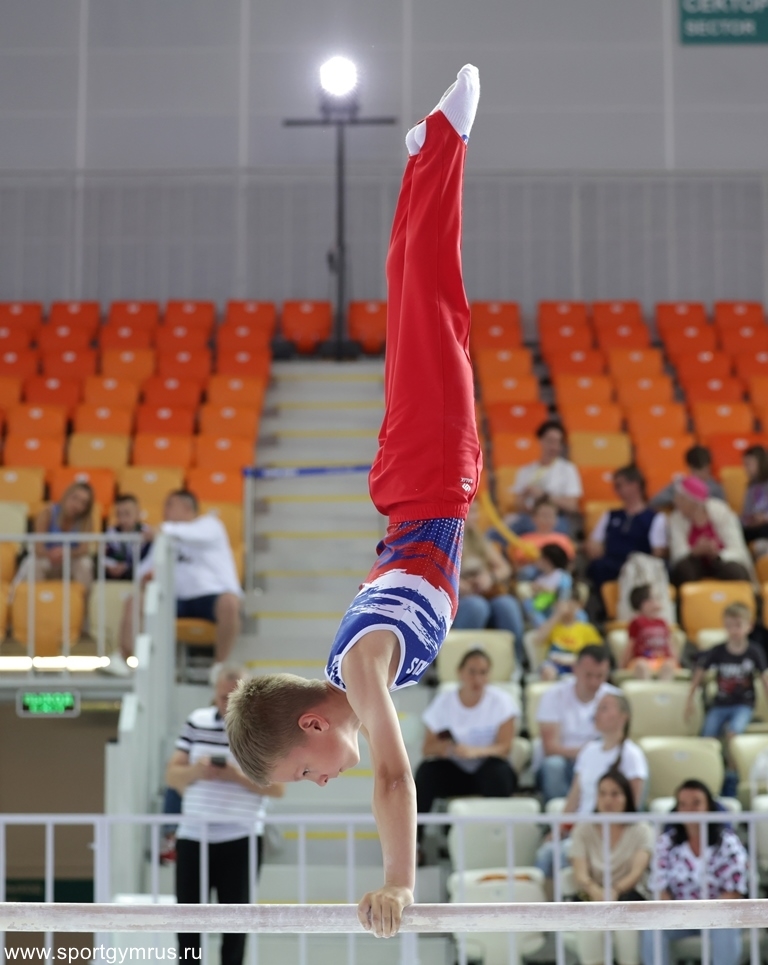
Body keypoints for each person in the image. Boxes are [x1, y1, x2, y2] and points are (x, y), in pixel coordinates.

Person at [226, 66, 482, 939]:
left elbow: (391, 777)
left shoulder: (365, 663)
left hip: (426, 479)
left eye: (305, 770)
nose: (320, 780)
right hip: (418, 486)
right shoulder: (354, 672)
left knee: (429, 302)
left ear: (312, 723)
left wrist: (398, 883)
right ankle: (422, 158)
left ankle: (443, 144)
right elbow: (378, 761)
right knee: (425, 303)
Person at [165, 666, 284, 965]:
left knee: (236, 925)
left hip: (241, 836)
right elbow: (172, 775)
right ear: (214, 694)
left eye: (234, 698)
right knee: (188, 923)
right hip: (194, 835)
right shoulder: (197, 721)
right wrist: (197, 770)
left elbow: (278, 788)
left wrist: (236, 776)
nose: (228, 704)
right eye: (222, 697)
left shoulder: (263, 729)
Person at [112, 490, 242, 676]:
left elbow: (195, 534)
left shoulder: (211, 525)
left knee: (230, 602)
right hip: (175, 599)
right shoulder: (165, 536)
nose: (164, 510)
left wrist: (163, 530)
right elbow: (143, 569)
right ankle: (124, 658)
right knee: (135, 601)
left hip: (210, 597)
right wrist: (144, 577)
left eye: (169, 505)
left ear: (187, 507)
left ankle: (219, 666)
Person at [535, 691, 648, 878]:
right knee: (545, 853)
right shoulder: (589, 751)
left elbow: (633, 805)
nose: (596, 713)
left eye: (604, 708)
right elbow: (574, 797)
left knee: (556, 856)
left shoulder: (632, 755)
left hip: (610, 835)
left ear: (623, 717)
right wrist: (559, 830)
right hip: (583, 831)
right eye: (597, 708)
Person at [415, 648, 518, 850]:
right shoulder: (444, 702)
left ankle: (500, 838)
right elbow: (427, 748)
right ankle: (415, 842)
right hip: (455, 770)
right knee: (426, 772)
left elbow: (505, 747)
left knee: (500, 772)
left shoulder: (502, 702)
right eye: (472, 672)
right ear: (460, 672)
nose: (477, 679)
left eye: (483, 672)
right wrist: (447, 749)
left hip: (487, 769)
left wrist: (475, 752)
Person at [640, 779, 748, 965]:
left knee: (726, 925)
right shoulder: (666, 843)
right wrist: (684, 915)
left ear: (709, 807)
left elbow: (733, 892)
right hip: (679, 916)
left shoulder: (728, 843)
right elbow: (660, 889)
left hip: (718, 915)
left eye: (696, 803)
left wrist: (706, 914)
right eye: (683, 804)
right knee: (653, 926)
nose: (689, 810)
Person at [570, 770, 653, 965]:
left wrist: (615, 890)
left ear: (626, 797)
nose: (608, 800)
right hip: (592, 894)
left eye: (615, 794)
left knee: (625, 926)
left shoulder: (642, 829)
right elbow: (580, 873)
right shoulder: (583, 829)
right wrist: (595, 891)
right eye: (603, 793)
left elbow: (637, 872)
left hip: (629, 895)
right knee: (590, 924)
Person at [685, 601, 768, 795]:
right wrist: (690, 698)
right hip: (720, 704)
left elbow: (764, 678)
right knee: (707, 736)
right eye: (730, 625)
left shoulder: (754, 651)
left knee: (733, 734)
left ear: (749, 626)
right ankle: (708, 774)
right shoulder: (718, 650)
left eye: (738, 625)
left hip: (743, 705)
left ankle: (731, 776)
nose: (734, 630)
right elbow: (699, 671)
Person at [536, 646, 619, 802]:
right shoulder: (553, 696)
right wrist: (588, 753)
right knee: (553, 766)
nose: (594, 682)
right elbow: (550, 748)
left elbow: (617, 743)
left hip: (599, 763)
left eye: (600, 676)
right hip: (565, 762)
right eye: (588, 675)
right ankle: (558, 811)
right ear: (575, 669)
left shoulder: (614, 698)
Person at [452, 503, 525, 665]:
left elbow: (504, 568)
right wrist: (459, 584)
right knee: (477, 607)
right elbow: (438, 572)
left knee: (507, 604)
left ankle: (514, 662)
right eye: (471, 512)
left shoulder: (480, 540)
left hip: (485, 592)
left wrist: (489, 578)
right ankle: (460, 660)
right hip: (460, 597)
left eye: (476, 512)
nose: (475, 517)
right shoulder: (446, 541)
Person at [586, 465, 667, 591]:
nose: (616, 490)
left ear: (634, 485)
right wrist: (595, 547)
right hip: (612, 564)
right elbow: (594, 543)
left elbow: (658, 551)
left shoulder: (655, 518)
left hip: (638, 566)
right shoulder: (610, 515)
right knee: (597, 567)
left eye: (619, 485)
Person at [668, 475, 754, 587]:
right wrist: (695, 551)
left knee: (735, 571)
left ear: (692, 501)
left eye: (681, 498)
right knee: (684, 569)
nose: (676, 502)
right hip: (694, 563)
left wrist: (717, 554)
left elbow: (737, 549)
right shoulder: (676, 518)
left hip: (721, 561)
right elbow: (677, 553)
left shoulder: (721, 511)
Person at [15, 481, 95, 592]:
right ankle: (33, 600)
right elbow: (38, 547)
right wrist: (52, 554)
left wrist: (66, 553)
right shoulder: (48, 512)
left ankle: (83, 601)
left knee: (85, 564)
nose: (77, 505)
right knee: (33, 564)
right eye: (74, 498)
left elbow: (83, 549)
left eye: (83, 503)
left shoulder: (86, 522)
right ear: (66, 495)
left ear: (86, 508)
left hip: (70, 560)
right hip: (46, 558)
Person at [509, 420, 582, 535]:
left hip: (556, 518)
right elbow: (518, 505)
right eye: (550, 441)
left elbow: (572, 505)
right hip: (529, 517)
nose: (554, 446)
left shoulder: (568, 469)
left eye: (558, 442)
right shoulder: (525, 470)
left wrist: (544, 495)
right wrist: (524, 496)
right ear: (540, 441)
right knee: (498, 532)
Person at [532, 595, 603, 680]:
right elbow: (538, 640)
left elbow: (597, 654)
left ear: (577, 605)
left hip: (577, 662)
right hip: (556, 663)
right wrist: (557, 615)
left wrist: (575, 659)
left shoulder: (587, 629)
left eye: (570, 602)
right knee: (547, 670)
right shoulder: (552, 627)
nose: (566, 606)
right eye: (563, 602)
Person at [621, 584, 678, 680]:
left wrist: (675, 660)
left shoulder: (662, 623)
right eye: (656, 597)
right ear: (645, 603)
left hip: (661, 660)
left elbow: (670, 644)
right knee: (641, 665)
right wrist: (622, 666)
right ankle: (646, 687)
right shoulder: (637, 622)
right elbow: (630, 645)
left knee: (669, 664)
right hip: (643, 660)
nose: (659, 600)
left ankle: (663, 688)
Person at [515, 495, 575, 578]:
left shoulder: (564, 540)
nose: (546, 519)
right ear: (534, 518)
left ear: (556, 519)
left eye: (550, 515)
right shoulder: (524, 539)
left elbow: (569, 564)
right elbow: (518, 564)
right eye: (543, 515)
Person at [650, 444, 725, 509]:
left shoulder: (716, 489)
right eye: (699, 470)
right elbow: (654, 502)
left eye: (706, 469)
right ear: (690, 468)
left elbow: (722, 510)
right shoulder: (679, 485)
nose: (703, 473)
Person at [521, 543, 575, 628]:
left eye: (540, 557)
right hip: (541, 611)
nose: (536, 560)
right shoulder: (539, 577)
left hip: (556, 610)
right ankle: (542, 628)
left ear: (547, 560)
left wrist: (544, 589)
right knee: (527, 603)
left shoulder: (562, 576)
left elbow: (564, 596)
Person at [104, 494, 153, 580]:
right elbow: (105, 556)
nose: (123, 519)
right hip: (113, 574)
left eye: (127, 514)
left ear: (137, 513)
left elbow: (147, 558)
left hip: (137, 573)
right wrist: (111, 565)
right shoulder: (110, 533)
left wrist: (127, 565)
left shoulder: (146, 533)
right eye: (119, 514)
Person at [741, 444, 768, 550]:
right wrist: (751, 520)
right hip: (754, 528)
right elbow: (745, 514)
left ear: (761, 463)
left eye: (748, 464)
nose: (745, 468)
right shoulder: (751, 487)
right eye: (744, 464)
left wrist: (764, 518)